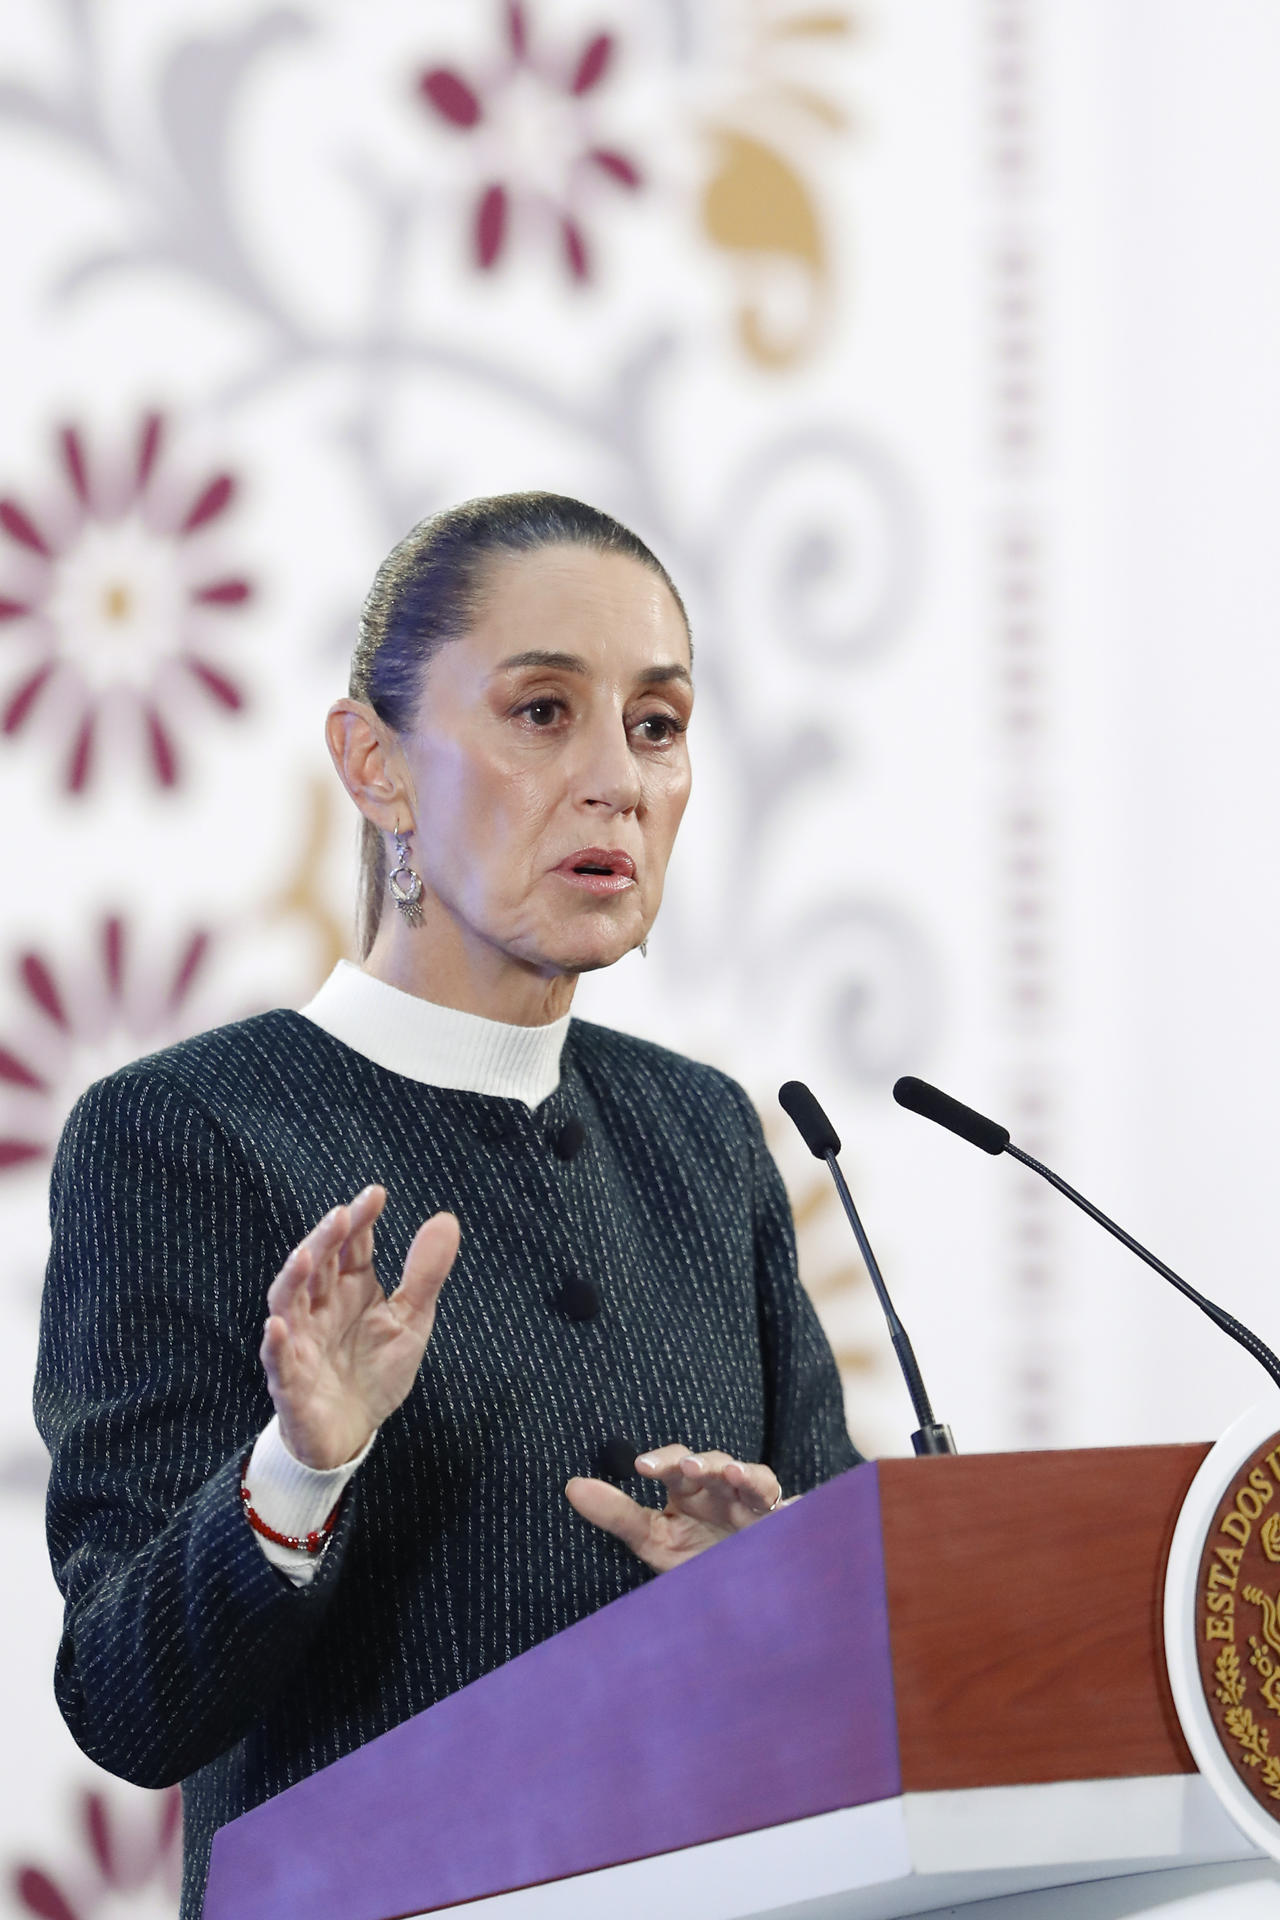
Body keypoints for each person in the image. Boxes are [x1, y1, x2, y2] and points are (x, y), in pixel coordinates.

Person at [34, 493, 858, 1918]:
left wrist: (766, 1597)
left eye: (656, 727)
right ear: (375, 765)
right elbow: (125, 1703)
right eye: (544, 712)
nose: (616, 780)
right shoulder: (186, 1133)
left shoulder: (704, 1135)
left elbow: (851, 1641)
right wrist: (297, 1471)